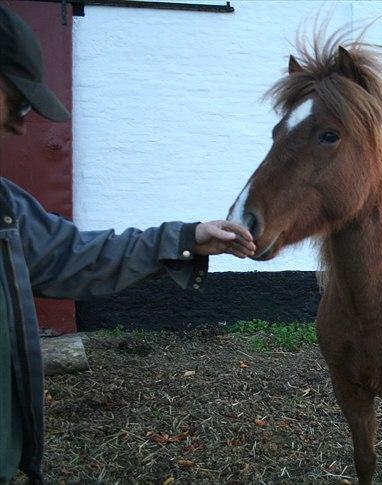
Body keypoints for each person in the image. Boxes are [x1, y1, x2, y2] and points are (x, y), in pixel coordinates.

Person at [0, 6, 255, 483]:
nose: (19, 126)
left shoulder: (6, 207)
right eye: (17, 104)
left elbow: (71, 257)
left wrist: (186, 239)